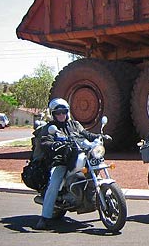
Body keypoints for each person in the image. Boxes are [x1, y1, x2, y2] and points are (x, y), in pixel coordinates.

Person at [35, 98, 111, 230]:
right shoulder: (50, 128)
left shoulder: (74, 124)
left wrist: (98, 136)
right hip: (61, 160)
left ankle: (96, 202)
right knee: (55, 182)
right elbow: (44, 142)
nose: (61, 115)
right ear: (53, 114)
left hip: (78, 155)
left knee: (94, 168)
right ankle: (44, 217)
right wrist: (54, 144)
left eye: (63, 112)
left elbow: (85, 133)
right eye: (58, 113)